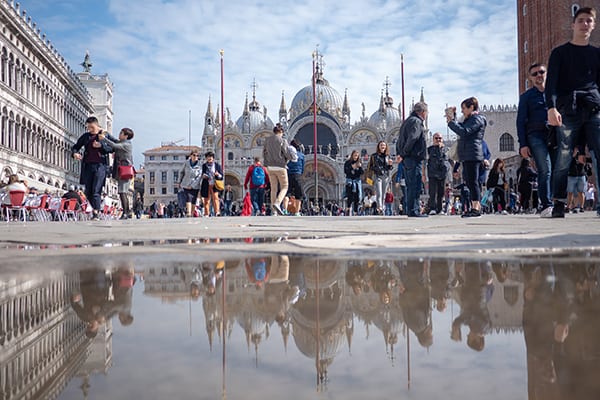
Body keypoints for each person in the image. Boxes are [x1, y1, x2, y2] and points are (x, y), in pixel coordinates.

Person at [545, 6, 600, 218]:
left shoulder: (597, 54)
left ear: (593, 26)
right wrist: (551, 108)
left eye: (589, 21)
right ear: (573, 24)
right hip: (569, 109)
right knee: (564, 157)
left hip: (594, 107)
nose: (585, 24)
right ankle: (558, 202)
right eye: (581, 20)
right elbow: (551, 84)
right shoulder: (560, 53)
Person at [517, 62, 554, 217]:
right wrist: (523, 144)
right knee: (545, 168)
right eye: (535, 74)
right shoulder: (526, 97)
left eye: (541, 72)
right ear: (530, 78)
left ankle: (556, 201)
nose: (539, 75)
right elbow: (520, 121)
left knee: (557, 169)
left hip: (554, 134)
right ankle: (546, 205)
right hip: (536, 135)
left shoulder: (555, 93)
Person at [447, 97, 486, 218]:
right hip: (468, 154)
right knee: (469, 181)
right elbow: (461, 128)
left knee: (473, 182)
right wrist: (452, 117)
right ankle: (474, 207)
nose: (462, 111)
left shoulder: (477, 119)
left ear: (471, 107)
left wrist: (451, 123)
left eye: (464, 108)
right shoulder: (470, 119)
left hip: (473, 154)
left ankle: (476, 208)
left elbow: (464, 131)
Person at [71, 116, 112, 221]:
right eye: (88, 128)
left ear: (97, 125)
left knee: (96, 189)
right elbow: (76, 146)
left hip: (100, 165)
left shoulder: (104, 135)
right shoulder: (85, 136)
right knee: (88, 191)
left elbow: (111, 148)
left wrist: (101, 146)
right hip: (88, 165)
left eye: (92, 127)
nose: (90, 130)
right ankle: (95, 208)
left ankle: (96, 212)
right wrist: (75, 153)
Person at [396, 102, 428, 217]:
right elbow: (413, 138)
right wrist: (404, 153)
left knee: (411, 185)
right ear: (423, 112)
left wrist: (401, 154)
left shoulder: (407, 121)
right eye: (426, 112)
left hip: (408, 159)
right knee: (415, 185)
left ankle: (411, 210)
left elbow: (399, 141)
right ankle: (414, 210)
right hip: (413, 158)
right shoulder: (416, 121)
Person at [101, 127, 134, 219]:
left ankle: (126, 212)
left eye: (121, 133)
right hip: (122, 169)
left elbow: (114, 145)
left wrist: (104, 138)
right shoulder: (123, 142)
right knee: (122, 192)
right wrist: (107, 134)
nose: (119, 135)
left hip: (124, 169)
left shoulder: (127, 144)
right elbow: (115, 140)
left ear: (126, 136)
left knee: (122, 192)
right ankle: (127, 212)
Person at [263, 123, 293, 215]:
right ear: (280, 132)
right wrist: (290, 158)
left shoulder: (267, 140)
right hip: (280, 166)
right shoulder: (282, 140)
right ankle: (277, 202)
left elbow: (264, 153)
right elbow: (287, 154)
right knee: (284, 186)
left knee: (274, 188)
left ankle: (274, 211)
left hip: (270, 167)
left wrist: (266, 164)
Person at [367, 140, 394, 215]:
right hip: (377, 176)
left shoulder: (388, 156)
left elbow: (389, 168)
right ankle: (380, 207)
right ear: (378, 146)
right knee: (379, 192)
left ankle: (382, 206)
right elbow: (370, 166)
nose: (382, 146)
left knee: (384, 193)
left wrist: (390, 165)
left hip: (385, 176)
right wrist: (376, 169)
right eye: (381, 145)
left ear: (386, 147)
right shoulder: (374, 156)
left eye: (384, 145)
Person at [427, 132, 449, 215]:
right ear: (433, 140)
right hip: (432, 173)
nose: (438, 140)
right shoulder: (429, 149)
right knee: (432, 192)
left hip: (442, 173)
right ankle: (432, 208)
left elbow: (448, 160)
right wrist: (424, 175)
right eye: (436, 138)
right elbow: (425, 161)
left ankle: (439, 209)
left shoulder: (446, 149)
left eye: (440, 138)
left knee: (441, 192)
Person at [178, 151, 202, 217]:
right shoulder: (186, 163)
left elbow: (199, 177)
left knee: (193, 199)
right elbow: (181, 172)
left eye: (197, 156)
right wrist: (179, 181)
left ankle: (192, 213)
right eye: (194, 155)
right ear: (191, 156)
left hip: (195, 185)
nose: (195, 157)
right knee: (188, 197)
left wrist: (192, 185)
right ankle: (188, 213)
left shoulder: (200, 165)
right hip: (186, 183)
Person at [200, 151, 223, 216]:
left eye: (210, 157)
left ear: (213, 158)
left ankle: (217, 212)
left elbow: (221, 175)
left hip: (215, 184)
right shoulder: (204, 166)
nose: (209, 158)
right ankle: (206, 213)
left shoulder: (217, 165)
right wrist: (203, 176)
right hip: (206, 184)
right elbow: (200, 174)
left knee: (216, 198)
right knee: (206, 199)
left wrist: (217, 174)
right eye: (208, 157)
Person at [285, 139, 305, 216]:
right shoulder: (301, 155)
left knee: (287, 193)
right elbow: (303, 167)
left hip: (288, 174)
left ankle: (285, 210)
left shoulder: (287, 155)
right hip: (297, 175)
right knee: (298, 195)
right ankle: (297, 212)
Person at [344, 150, 364, 215]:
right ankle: (348, 208)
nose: (356, 157)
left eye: (357, 156)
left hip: (357, 181)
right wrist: (351, 167)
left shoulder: (359, 163)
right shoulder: (347, 162)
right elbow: (346, 171)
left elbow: (362, 173)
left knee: (357, 197)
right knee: (350, 195)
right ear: (352, 155)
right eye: (355, 155)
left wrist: (360, 167)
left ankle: (355, 211)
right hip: (349, 180)